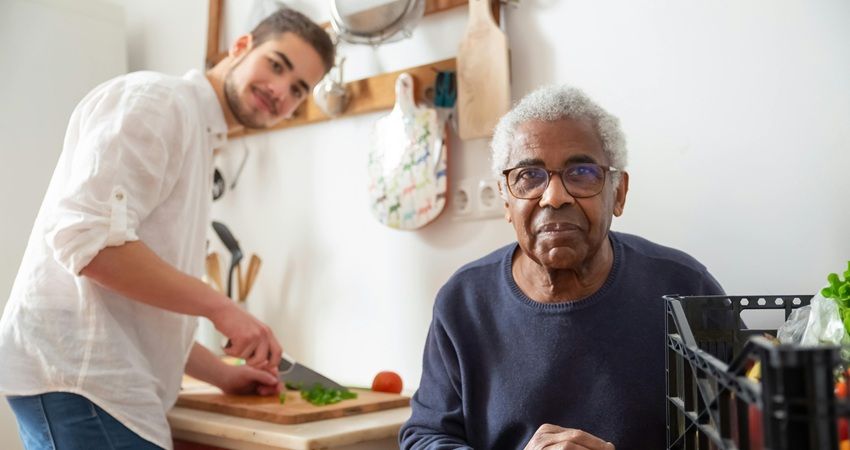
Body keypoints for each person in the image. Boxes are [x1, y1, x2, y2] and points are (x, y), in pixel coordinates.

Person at [0, 8, 334, 450]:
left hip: (102, 389)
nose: (279, 91)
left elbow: (135, 310)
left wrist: (222, 374)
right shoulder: (160, 101)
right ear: (239, 47)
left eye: (298, 89)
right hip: (83, 384)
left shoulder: (197, 132)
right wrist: (222, 308)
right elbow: (88, 243)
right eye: (276, 65)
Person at [399, 85, 725, 450]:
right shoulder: (464, 301)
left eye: (582, 172)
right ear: (506, 201)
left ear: (618, 193)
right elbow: (425, 436)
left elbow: (740, 420)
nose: (555, 197)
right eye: (529, 176)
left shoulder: (684, 286)